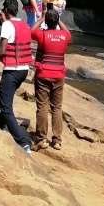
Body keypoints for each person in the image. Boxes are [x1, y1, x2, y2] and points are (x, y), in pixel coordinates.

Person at [0, 0, 32, 153]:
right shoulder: (24, 24)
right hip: (24, 70)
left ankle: (23, 143)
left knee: (6, 107)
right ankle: (0, 125)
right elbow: (13, 35)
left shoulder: (7, 25)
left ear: (5, 10)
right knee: (4, 99)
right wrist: (3, 20)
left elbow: (2, 50)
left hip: (12, 70)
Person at [30, 8, 71, 151]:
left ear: (46, 22)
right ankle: (57, 140)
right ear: (57, 21)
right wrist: (58, 20)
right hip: (58, 74)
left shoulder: (42, 35)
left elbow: (31, 31)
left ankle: (42, 139)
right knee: (57, 107)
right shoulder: (64, 36)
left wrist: (42, 18)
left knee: (42, 106)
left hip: (43, 74)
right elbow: (68, 32)